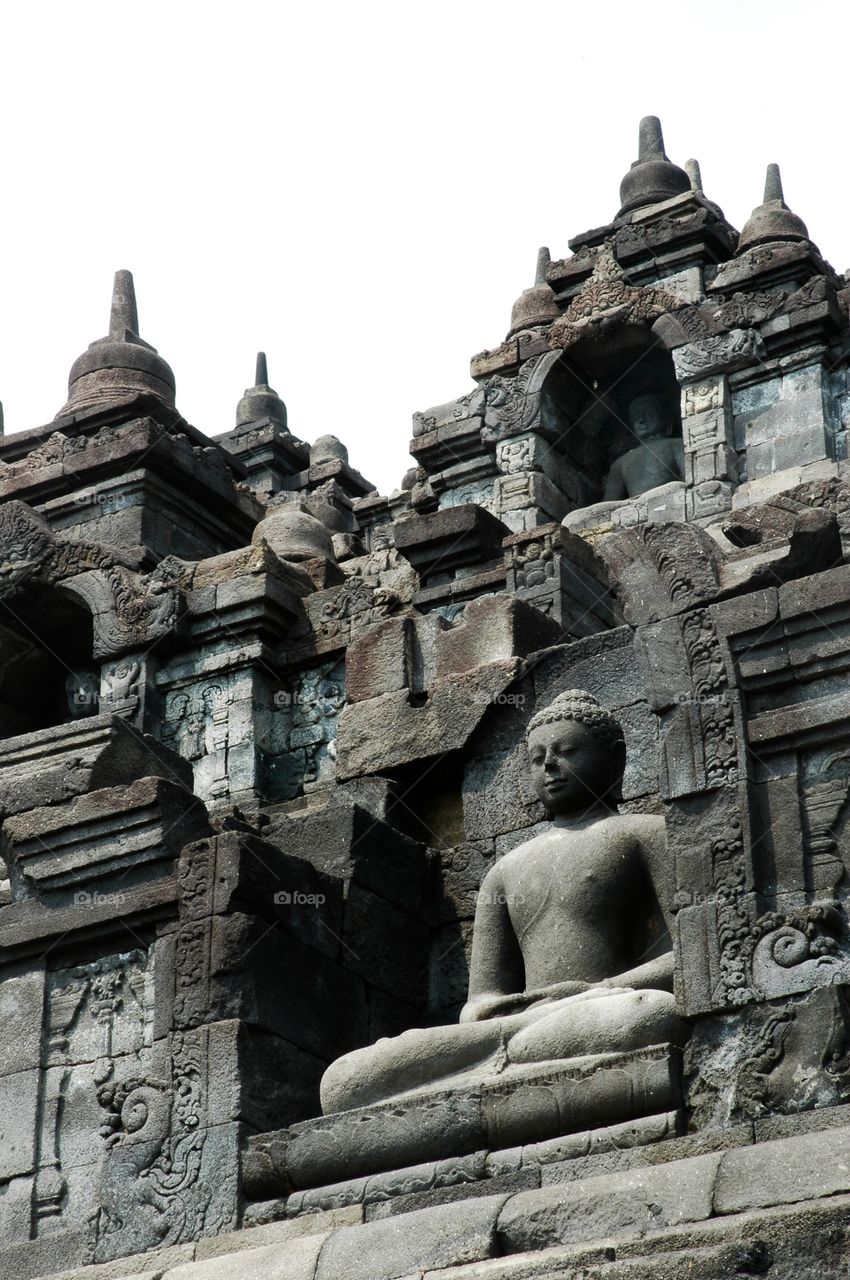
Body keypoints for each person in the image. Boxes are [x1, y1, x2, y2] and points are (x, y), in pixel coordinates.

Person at [320, 690, 685, 1115]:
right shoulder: (505, 870)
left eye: (567, 751)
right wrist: (512, 1011)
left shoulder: (645, 834)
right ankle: (514, 1058)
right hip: (518, 1025)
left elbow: (689, 956)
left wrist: (597, 992)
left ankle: (502, 1067)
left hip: (601, 1010)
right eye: (537, 757)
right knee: (344, 1080)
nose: (549, 764)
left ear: (616, 759)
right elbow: (479, 1004)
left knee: (648, 1015)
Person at [603, 393, 684, 501]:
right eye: (636, 416)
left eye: (649, 413)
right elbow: (610, 503)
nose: (641, 420)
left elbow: (692, 479)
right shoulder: (620, 463)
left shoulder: (678, 445)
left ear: (666, 417)